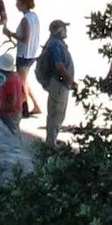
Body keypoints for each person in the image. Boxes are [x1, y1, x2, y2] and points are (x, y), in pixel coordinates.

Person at [37, 17, 75, 149]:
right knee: (57, 114)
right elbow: (59, 66)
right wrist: (71, 81)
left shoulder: (53, 43)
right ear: (59, 30)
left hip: (56, 83)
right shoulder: (56, 45)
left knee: (54, 112)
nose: (66, 31)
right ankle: (51, 144)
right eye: (64, 28)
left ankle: (51, 140)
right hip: (59, 83)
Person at [12, 0, 43, 116]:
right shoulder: (34, 16)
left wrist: (11, 34)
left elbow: (25, 38)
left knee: (21, 82)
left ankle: (24, 108)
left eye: (18, 3)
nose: (16, 5)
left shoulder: (25, 19)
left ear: (24, 5)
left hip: (24, 53)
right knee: (24, 80)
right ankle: (36, 105)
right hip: (33, 52)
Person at [0, 50, 25, 130]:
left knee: (12, 134)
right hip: (16, 112)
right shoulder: (15, 75)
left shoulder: (9, 82)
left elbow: (11, 105)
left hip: (10, 115)